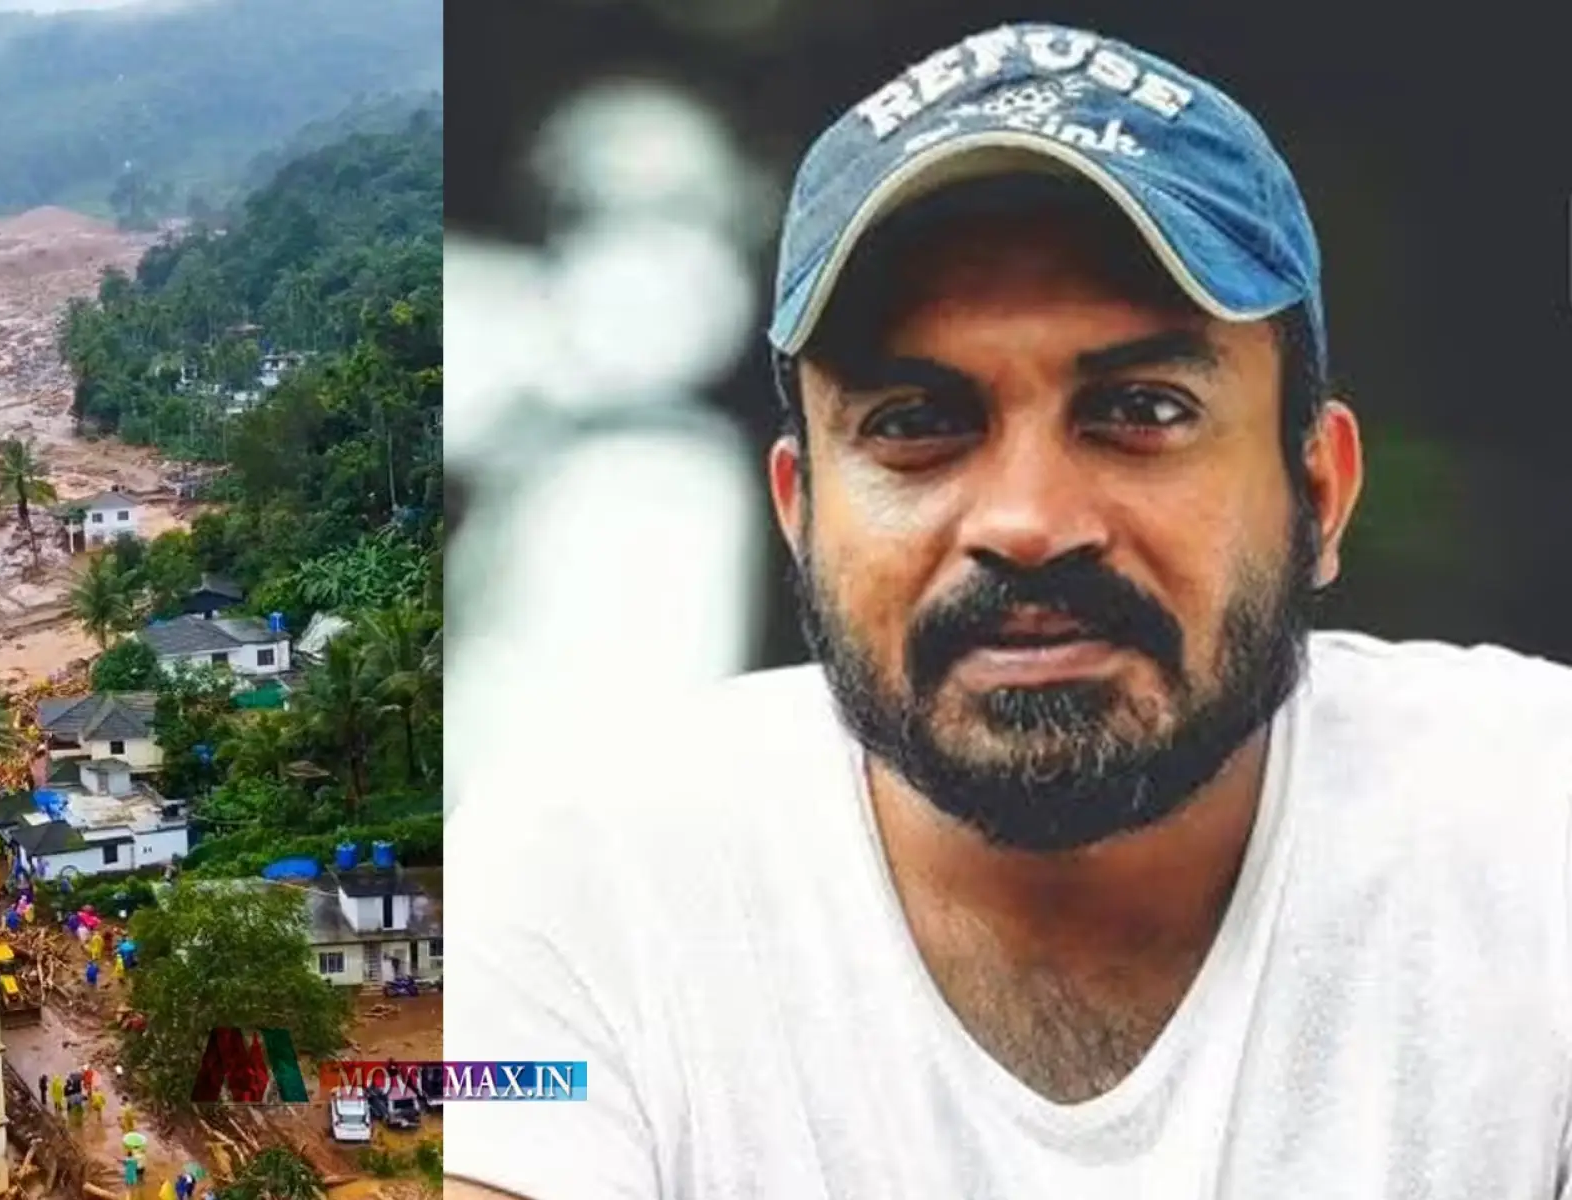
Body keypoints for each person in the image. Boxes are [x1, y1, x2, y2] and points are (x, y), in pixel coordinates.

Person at [445, 20, 1572, 1200]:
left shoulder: (1530, 830)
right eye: (913, 422)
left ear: (1319, 490)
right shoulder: (580, 882)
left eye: (1139, 408)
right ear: (798, 514)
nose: (1027, 521)